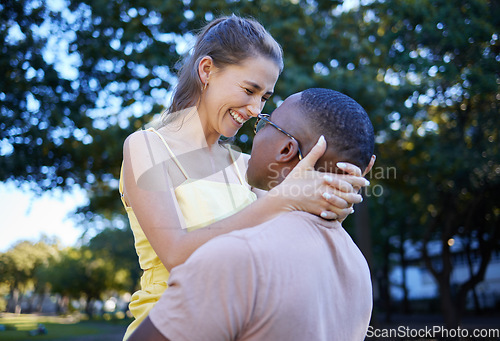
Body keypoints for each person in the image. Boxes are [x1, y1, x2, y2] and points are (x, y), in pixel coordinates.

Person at [120, 16, 369, 339]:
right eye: (249, 90)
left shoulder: (246, 166)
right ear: (207, 70)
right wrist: (286, 198)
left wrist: (331, 200)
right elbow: (176, 255)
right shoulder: (146, 147)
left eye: (264, 97)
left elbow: (279, 245)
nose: (255, 109)